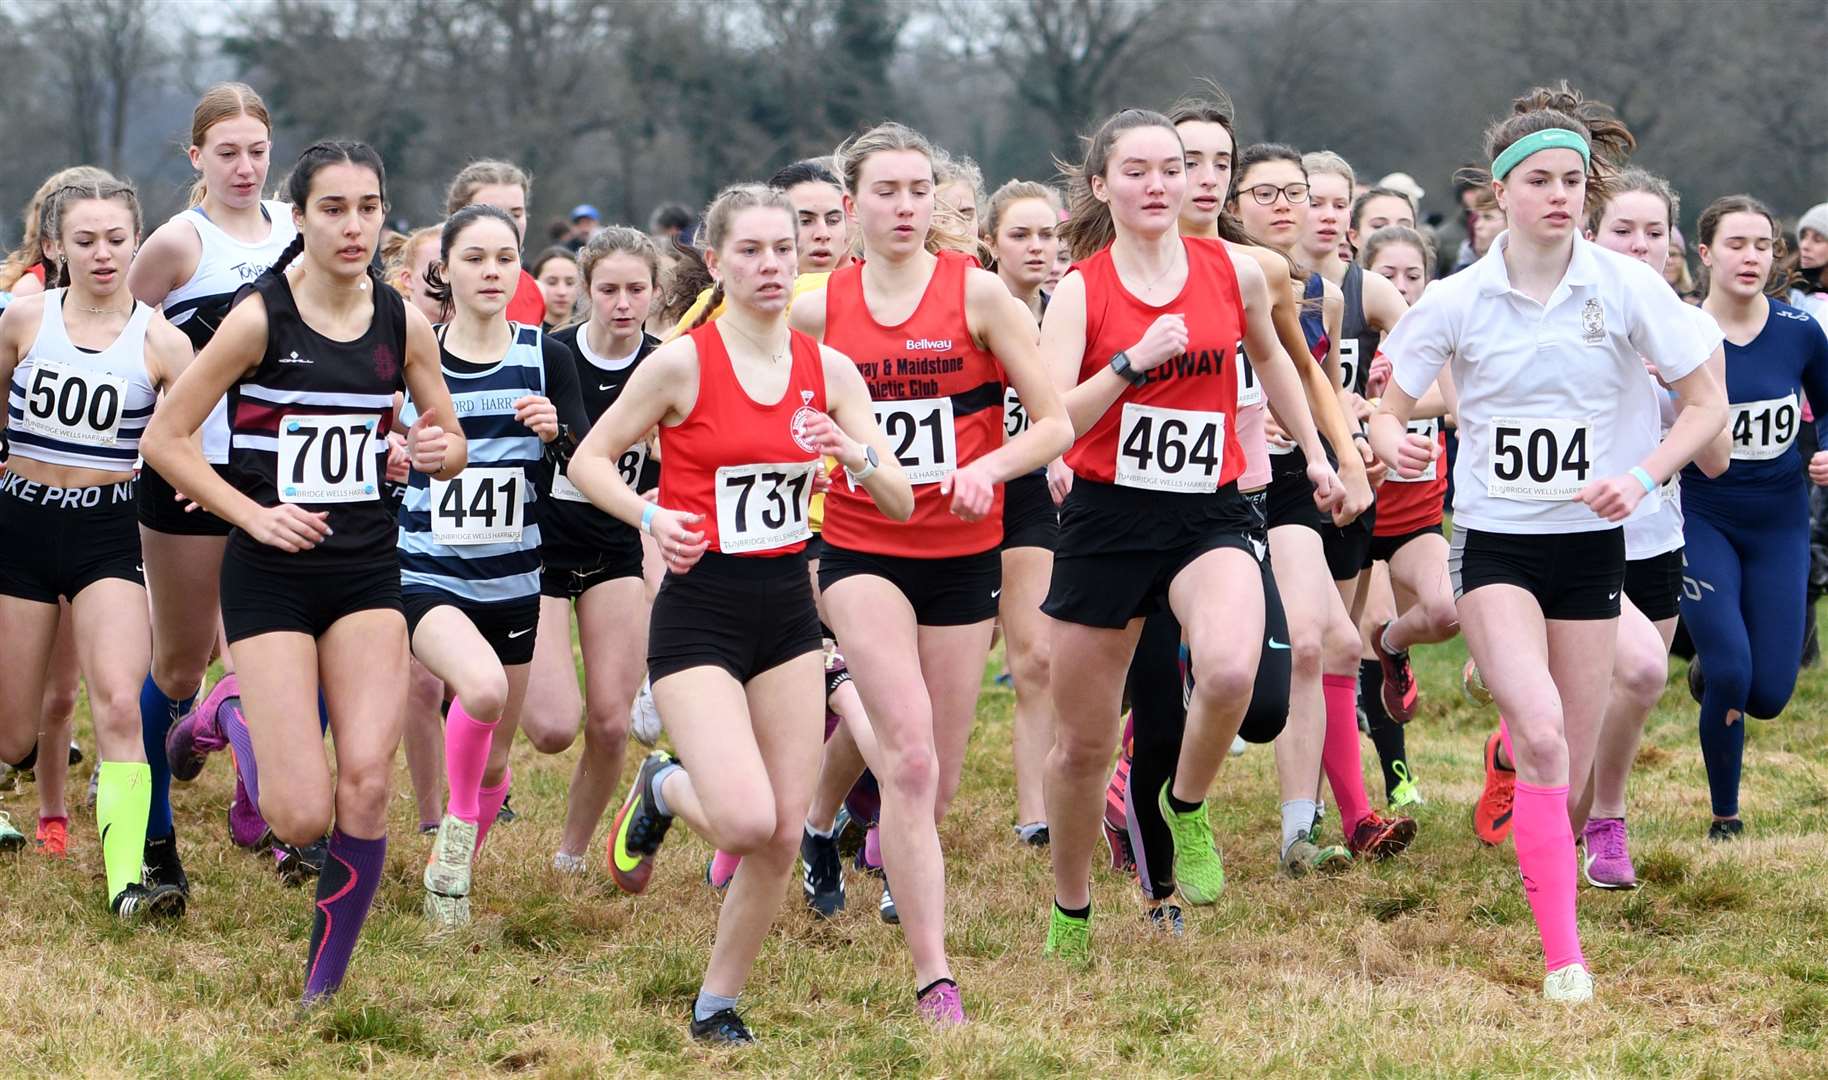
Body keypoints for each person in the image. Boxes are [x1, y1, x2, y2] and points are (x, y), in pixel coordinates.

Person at [1369, 84, 1727, 1004]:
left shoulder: (1626, 286)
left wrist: (1644, 476)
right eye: (1540, 180)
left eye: (1574, 179)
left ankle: (1554, 866)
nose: (1561, 195)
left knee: (1563, 755)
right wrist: (1390, 438)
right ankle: (1563, 957)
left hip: (1590, 548)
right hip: (1495, 545)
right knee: (1536, 733)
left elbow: (1704, 406)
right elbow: (1387, 405)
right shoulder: (1456, 299)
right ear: (1499, 194)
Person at [570, 183, 911, 1044]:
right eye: (751, 252)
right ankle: (663, 783)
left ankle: (716, 1003)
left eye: (783, 250)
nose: (770, 266)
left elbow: (900, 499)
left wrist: (857, 454)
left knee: (779, 830)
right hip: (699, 614)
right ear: (716, 263)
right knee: (746, 816)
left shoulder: (826, 369)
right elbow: (590, 460)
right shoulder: (683, 363)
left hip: (786, 614)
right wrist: (652, 517)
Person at [141, 140, 466, 1001]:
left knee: (366, 782)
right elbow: (165, 440)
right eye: (334, 208)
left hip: (366, 573)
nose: (353, 226)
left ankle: (324, 985)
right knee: (300, 815)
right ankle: (224, 713)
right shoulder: (258, 317)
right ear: (300, 218)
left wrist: (437, 449)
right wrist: (251, 513)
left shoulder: (404, 322)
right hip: (271, 575)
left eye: (368, 207)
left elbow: (449, 437)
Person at [788, 121, 1072, 1024]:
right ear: (850, 206)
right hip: (862, 547)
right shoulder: (816, 308)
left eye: (919, 190)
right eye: (886, 192)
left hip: (961, 554)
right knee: (907, 754)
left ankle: (819, 818)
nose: (905, 207)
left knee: (936, 780)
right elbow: (767, 414)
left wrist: (989, 468)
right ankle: (933, 973)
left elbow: (1055, 423)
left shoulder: (979, 295)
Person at [1040, 108, 1340, 963]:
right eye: (1135, 170)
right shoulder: (1081, 289)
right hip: (1105, 517)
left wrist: (1314, 454)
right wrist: (1131, 362)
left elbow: (1277, 358)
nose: (1158, 184)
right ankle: (1070, 905)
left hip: (1209, 510)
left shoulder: (1233, 270)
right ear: (1102, 186)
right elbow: (1054, 416)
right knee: (1084, 745)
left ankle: (1187, 803)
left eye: (1170, 168)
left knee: (1234, 669)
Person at [0, 178, 195, 917]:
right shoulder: (23, 321)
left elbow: (186, 444)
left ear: (136, 240)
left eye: (117, 238)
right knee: (15, 731)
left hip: (107, 533)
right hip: (18, 524)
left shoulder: (164, 342)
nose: (103, 253)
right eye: (85, 240)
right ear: (55, 246)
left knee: (117, 702)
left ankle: (126, 881)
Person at [126, 84, 298, 889]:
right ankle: (149, 827)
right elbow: (119, 337)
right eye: (226, 152)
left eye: (257, 150)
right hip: (190, 476)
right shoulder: (175, 243)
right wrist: (175, 429)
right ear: (196, 156)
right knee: (180, 667)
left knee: (279, 656)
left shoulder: (300, 231)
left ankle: (275, 815)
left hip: (282, 473)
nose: (244, 166)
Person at [401, 204, 587, 926]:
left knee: (497, 759)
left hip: (514, 579)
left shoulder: (547, 356)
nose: (491, 272)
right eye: (474, 258)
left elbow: (587, 457)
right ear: (444, 269)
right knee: (477, 691)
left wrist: (559, 431)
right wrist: (398, 454)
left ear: (522, 270)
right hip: (427, 571)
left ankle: (455, 877)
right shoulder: (419, 354)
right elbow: (373, 441)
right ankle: (449, 850)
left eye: (505, 258)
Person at [1233, 144, 1415, 868]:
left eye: (1297, 192)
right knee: (1238, 662)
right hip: (1219, 482)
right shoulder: (1223, 273)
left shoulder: (1326, 295)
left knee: (1325, 644)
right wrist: (1257, 417)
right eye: (1268, 192)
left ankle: (1306, 832)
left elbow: (1318, 385)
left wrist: (1347, 447)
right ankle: (1138, 784)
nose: (1289, 206)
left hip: (1290, 484)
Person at [1683, 194, 1828, 841]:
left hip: (1780, 520)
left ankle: (1710, 669)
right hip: (1701, 515)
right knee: (1736, 673)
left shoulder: (1799, 329)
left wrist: (1825, 445)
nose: (1750, 257)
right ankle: (1725, 816)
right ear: (1706, 252)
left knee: (1767, 693)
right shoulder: (1681, 330)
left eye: (1763, 245)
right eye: (1736, 244)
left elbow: (1826, 406)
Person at [527, 226, 663, 874]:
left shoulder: (669, 364)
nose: (622, 302)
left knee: (611, 724)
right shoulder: (551, 356)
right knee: (552, 729)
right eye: (608, 289)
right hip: (545, 552)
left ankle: (571, 855)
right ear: (585, 291)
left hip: (619, 554)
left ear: (656, 293)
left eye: (636, 289)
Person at [983, 178, 1063, 842]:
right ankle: (860, 802)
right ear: (991, 242)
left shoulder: (1068, 308)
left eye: (1047, 234)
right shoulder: (972, 310)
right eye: (1021, 235)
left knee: (1035, 655)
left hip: (1033, 496)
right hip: (962, 495)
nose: (1037, 248)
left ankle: (1036, 815)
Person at [446, 160, 547, 326]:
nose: (506, 224)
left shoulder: (535, 292)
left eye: (516, 214)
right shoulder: (427, 286)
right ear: (456, 218)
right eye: (491, 213)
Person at [531, 246, 581, 329]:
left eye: (570, 283)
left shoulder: (587, 334)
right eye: (552, 283)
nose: (562, 292)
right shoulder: (523, 333)